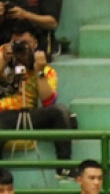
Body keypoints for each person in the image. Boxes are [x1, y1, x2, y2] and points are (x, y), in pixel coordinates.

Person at [0, 21, 72, 164]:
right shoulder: (3, 55)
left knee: (60, 111)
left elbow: (48, 102)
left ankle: (65, 167)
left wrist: (39, 71)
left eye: (24, 43)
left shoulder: (45, 69)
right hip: (2, 114)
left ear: (35, 43)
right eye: (16, 43)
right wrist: (3, 62)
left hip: (27, 115)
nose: (20, 48)